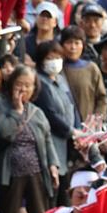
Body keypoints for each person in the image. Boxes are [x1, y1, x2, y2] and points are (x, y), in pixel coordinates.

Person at [0, 65, 59, 213]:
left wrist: (53, 166)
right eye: (19, 84)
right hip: (11, 172)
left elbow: (48, 141)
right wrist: (17, 110)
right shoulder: (1, 108)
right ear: (11, 85)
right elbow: (4, 132)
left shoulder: (37, 112)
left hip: (36, 170)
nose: (23, 89)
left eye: (28, 86)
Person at [33, 40, 74, 200]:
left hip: (67, 142)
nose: (55, 61)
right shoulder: (40, 83)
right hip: (52, 141)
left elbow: (71, 104)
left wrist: (78, 129)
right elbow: (50, 114)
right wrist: (71, 131)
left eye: (58, 57)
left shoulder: (61, 79)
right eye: (50, 57)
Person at [61, 23, 107, 121]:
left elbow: (102, 98)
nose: (73, 47)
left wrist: (96, 119)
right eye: (69, 42)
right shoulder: (58, 69)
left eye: (77, 43)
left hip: (88, 125)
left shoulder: (91, 68)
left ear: (83, 45)